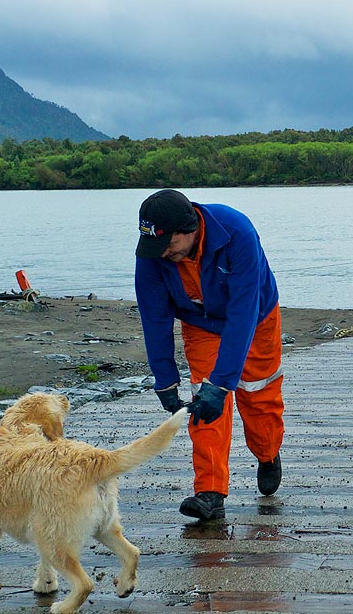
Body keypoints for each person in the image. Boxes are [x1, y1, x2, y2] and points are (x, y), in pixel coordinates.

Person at [134, 189, 284, 521]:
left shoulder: (238, 232)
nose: (163, 254)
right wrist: (165, 380)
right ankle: (210, 492)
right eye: (157, 247)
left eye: (169, 244)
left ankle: (268, 453)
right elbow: (154, 317)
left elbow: (243, 312)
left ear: (189, 228)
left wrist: (223, 383)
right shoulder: (153, 251)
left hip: (255, 317)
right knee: (204, 403)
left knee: (258, 394)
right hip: (200, 323)